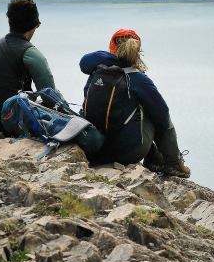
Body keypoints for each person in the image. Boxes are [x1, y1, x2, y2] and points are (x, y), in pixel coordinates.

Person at [79, 29, 190, 178]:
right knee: (155, 110)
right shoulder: (138, 79)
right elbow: (163, 119)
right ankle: (172, 162)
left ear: (111, 48)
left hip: (95, 148)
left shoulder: (95, 74)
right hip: (127, 153)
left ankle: (155, 157)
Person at [0, 0, 64, 134]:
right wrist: (73, 115)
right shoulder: (30, 53)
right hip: (14, 125)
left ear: (10, 22)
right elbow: (50, 97)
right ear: (35, 25)